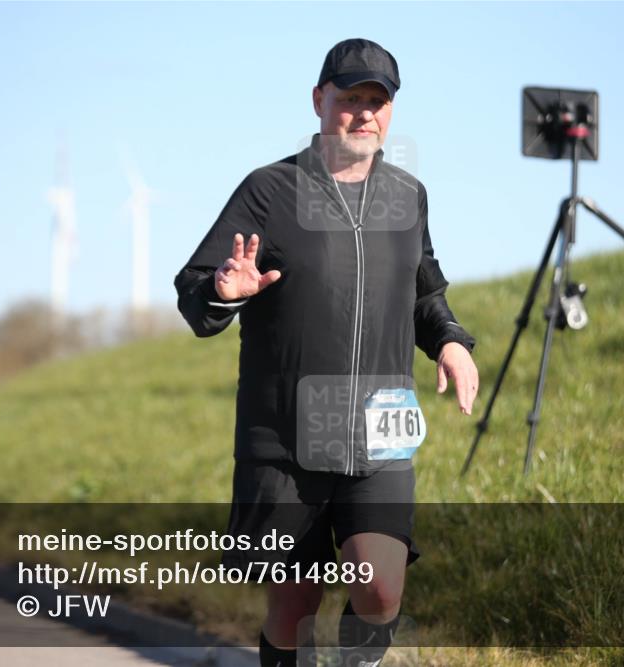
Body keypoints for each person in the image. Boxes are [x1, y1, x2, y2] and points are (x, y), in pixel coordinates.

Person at [175, 38, 478, 667]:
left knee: (379, 585)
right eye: (350, 98)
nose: (364, 112)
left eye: (378, 100)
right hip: (286, 439)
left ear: (390, 111)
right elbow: (196, 295)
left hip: (380, 429)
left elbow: (424, 287)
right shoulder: (269, 190)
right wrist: (225, 292)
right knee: (293, 608)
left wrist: (449, 338)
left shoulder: (408, 196)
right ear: (320, 100)